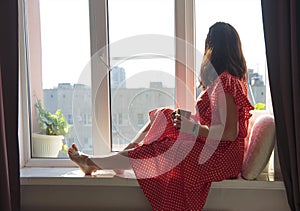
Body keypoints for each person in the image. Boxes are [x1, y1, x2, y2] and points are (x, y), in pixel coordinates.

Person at [68, 22, 254, 210]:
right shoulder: (225, 80)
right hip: (214, 148)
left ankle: (94, 163)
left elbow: (230, 133)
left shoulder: (227, 82)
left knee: (166, 148)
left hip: (221, 157)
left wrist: (193, 128)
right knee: (164, 115)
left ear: (213, 47)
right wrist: (189, 121)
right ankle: (118, 157)